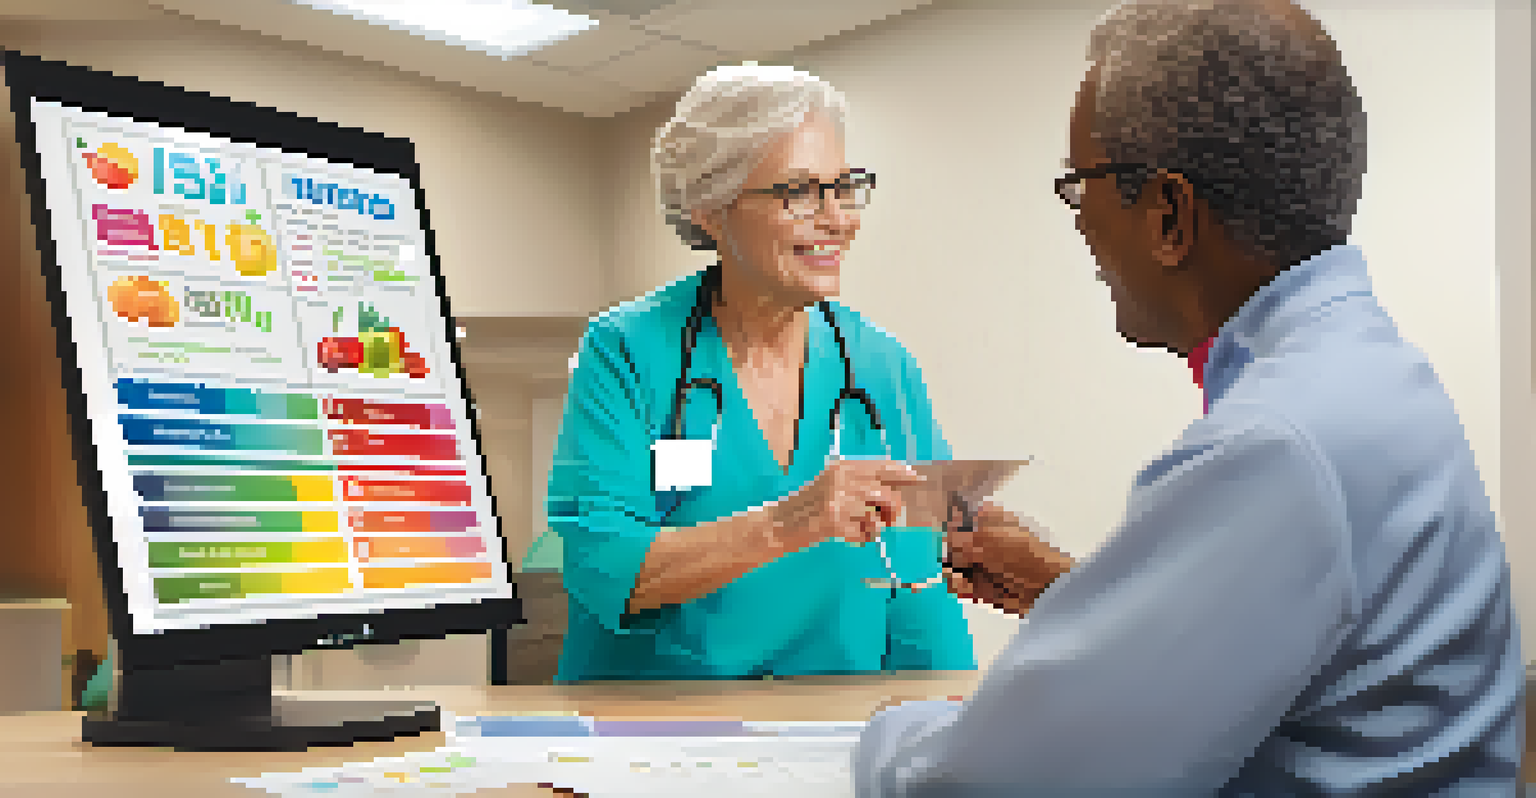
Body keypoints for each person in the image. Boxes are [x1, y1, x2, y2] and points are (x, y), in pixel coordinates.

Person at [854, 0, 1524, 795]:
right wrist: (1080, 599)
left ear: (1168, 215)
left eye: (1081, 187)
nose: (1081, 225)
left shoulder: (1275, 444)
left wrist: (884, 733)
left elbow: (986, 786)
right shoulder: (1373, 374)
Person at [538, 64, 978, 681]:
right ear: (711, 210)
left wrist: (957, 729)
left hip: (823, 736)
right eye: (799, 192)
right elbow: (603, 565)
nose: (838, 219)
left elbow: (917, 582)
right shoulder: (626, 349)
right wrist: (787, 523)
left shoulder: (883, 367)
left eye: (844, 187)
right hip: (649, 734)